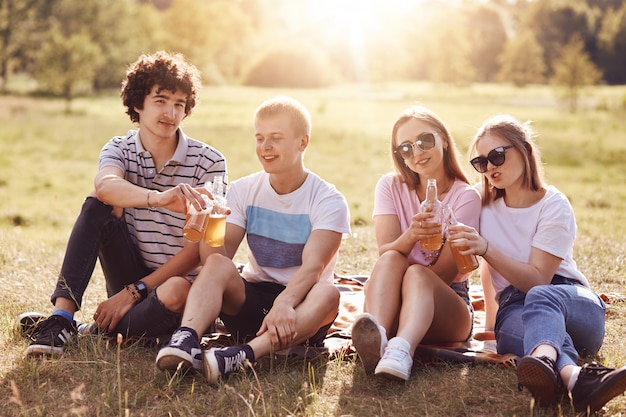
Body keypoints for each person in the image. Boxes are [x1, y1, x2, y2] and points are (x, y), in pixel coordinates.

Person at [21, 51, 227, 356]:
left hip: (177, 288)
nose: (170, 112)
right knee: (97, 203)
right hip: (127, 271)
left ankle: (90, 332)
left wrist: (136, 291)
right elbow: (105, 187)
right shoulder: (119, 148)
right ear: (137, 103)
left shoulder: (209, 162)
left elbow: (200, 250)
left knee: (177, 290)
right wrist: (158, 199)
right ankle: (62, 318)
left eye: (179, 104)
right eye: (161, 100)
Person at [154, 96, 351, 381]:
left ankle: (243, 355)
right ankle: (185, 341)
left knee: (329, 293)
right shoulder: (244, 189)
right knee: (219, 266)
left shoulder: (328, 200)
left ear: (302, 143)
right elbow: (215, 260)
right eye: (259, 138)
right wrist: (211, 223)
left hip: (301, 306)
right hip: (253, 300)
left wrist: (284, 304)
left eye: (276, 138)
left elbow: (314, 268)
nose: (265, 147)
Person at [448, 114, 626, 413]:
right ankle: (575, 379)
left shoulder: (553, 205)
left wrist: (487, 248)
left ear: (525, 150)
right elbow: (490, 274)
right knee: (540, 335)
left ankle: (544, 357)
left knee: (540, 296)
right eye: (481, 162)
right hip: (515, 308)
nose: (490, 167)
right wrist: (492, 327)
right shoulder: (483, 204)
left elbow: (539, 280)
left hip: (571, 300)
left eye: (497, 156)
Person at [350, 105, 481, 381]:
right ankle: (379, 339)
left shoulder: (465, 197)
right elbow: (386, 251)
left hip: (447, 304)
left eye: (425, 141)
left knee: (417, 274)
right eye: (406, 148)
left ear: (444, 140)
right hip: (393, 304)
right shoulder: (390, 186)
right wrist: (411, 235)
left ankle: (401, 350)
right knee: (390, 258)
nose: (417, 152)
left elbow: (445, 273)